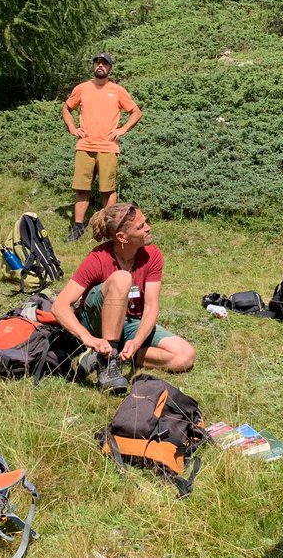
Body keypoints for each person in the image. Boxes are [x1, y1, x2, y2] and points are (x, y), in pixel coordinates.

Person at [49, 203, 196, 394]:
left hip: (129, 321)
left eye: (146, 222)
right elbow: (60, 306)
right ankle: (107, 361)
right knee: (122, 278)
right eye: (140, 226)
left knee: (185, 356)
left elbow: (151, 307)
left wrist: (136, 342)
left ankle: (115, 355)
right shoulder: (98, 258)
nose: (148, 228)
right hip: (95, 321)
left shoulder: (152, 255)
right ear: (122, 237)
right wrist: (88, 338)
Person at [62, 53, 142, 243]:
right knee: (81, 188)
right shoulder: (82, 88)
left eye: (104, 63)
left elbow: (136, 112)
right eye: (97, 63)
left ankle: (107, 229)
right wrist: (72, 128)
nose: (100, 66)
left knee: (108, 190)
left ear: (110, 68)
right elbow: (66, 109)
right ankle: (78, 227)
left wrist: (122, 130)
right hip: (85, 145)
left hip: (108, 147)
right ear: (93, 66)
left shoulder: (118, 90)